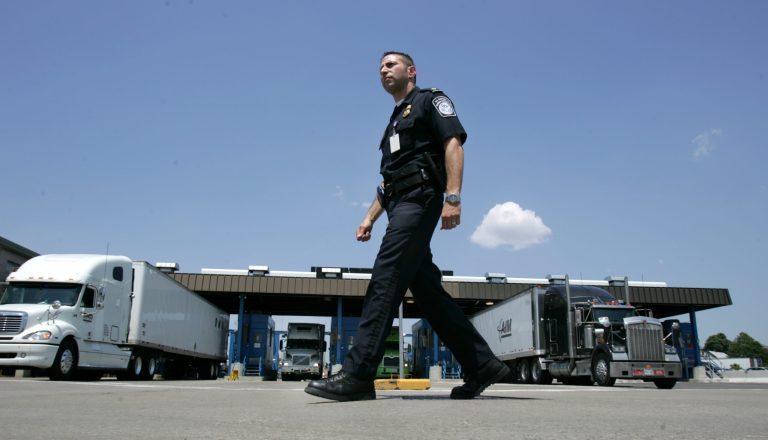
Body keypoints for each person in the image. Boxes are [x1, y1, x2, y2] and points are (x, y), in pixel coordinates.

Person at [305, 51, 509, 401]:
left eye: (390, 64)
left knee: (386, 277)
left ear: (410, 71)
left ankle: (357, 373)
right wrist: (369, 217)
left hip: (421, 199)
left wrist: (454, 197)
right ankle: (482, 365)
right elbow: (388, 182)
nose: (383, 70)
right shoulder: (393, 124)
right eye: (380, 67)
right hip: (400, 202)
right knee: (429, 296)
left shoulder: (431, 101)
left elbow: (453, 143)